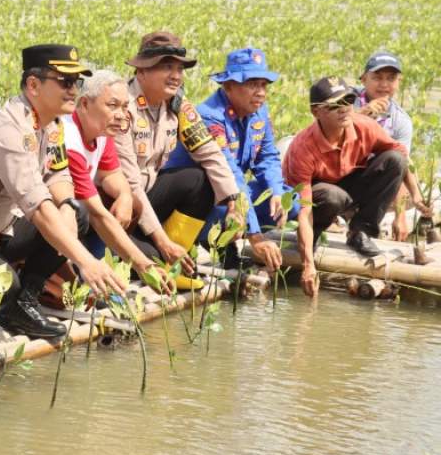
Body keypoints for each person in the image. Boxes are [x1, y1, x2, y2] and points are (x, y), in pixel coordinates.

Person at [0, 44, 127, 341]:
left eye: (77, 83)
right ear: (33, 85)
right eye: (65, 82)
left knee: (77, 216)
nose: (74, 91)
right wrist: (85, 262)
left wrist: (68, 206)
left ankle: (23, 303)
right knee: (3, 283)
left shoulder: (52, 124)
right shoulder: (10, 130)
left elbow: (58, 174)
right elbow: (39, 209)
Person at [282, 76, 430, 297]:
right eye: (334, 105)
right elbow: (303, 210)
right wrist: (308, 265)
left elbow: (401, 155)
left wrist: (416, 195)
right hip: (316, 199)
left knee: (394, 160)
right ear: (316, 112)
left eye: (348, 101)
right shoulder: (303, 147)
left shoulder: (363, 126)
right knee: (333, 196)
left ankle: (360, 231)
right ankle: (316, 234)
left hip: (348, 184)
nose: (344, 110)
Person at [115, 31, 239, 288]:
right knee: (147, 264)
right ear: (142, 72)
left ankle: (174, 257)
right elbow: (130, 184)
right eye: (166, 67)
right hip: (119, 207)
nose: (176, 75)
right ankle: (159, 253)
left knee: (197, 179)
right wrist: (161, 241)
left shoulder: (178, 106)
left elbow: (210, 152)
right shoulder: (121, 107)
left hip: (148, 199)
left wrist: (233, 203)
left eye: (180, 68)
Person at [166, 47, 292, 272]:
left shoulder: (259, 112)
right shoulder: (210, 115)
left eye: (264, 85)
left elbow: (268, 156)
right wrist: (256, 236)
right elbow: (231, 174)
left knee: (292, 201)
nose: (261, 92)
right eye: (252, 84)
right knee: (230, 213)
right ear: (229, 86)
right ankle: (215, 245)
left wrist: (276, 191)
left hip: (231, 195)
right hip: (201, 201)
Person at [61, 70, 171, 290]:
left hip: (80, 214)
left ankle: (98, 262)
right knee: (62, 296)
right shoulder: (68, 137)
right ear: (84, 104)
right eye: (112, 105)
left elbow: (112, 174)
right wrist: (144, 266)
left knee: (131, 202)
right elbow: (96, 213)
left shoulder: (101, 131)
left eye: (124, 106)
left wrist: (124, 196)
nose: (121, 115)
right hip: (50, 220)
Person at [354, 50, 414, 241]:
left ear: (398, 82)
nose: (384, 84)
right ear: (364, 79)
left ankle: (362, 230)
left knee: (396, 158)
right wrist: (361, 114)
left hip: (368, 180)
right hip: (335, 176)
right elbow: (323, 135)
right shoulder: (346, 99)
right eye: (377, 78)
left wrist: (401, 216)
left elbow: (402, 167)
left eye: (391, 78)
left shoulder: (401, 120)